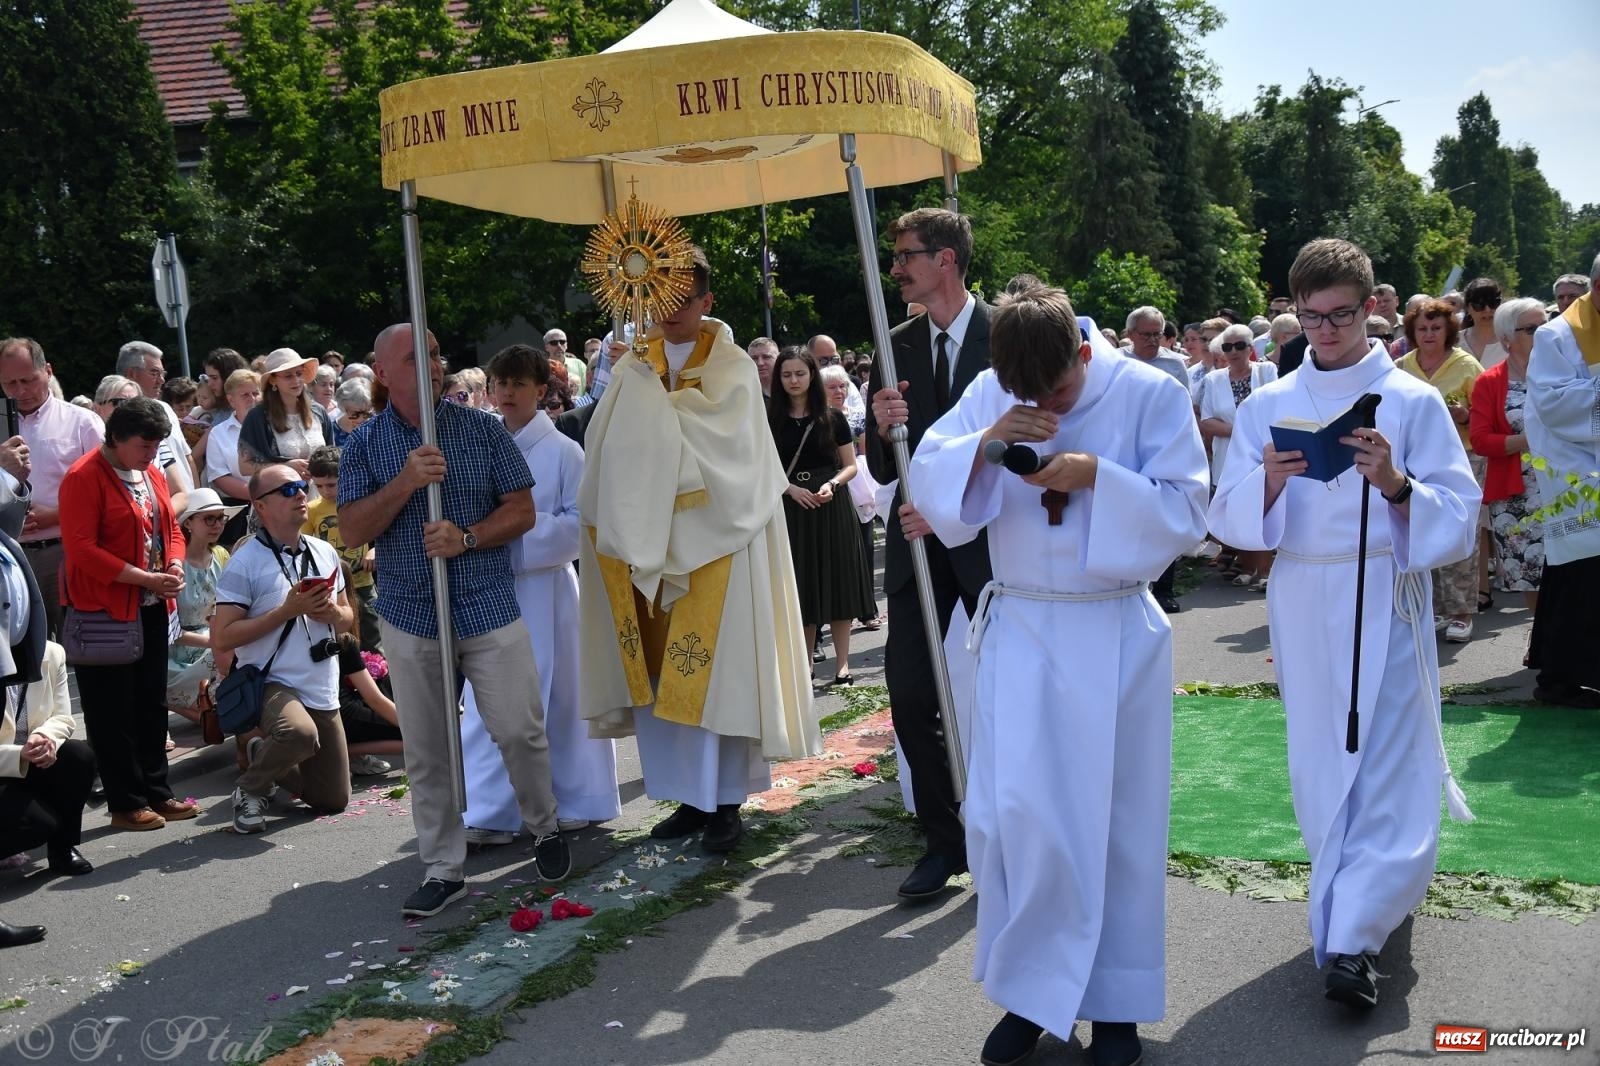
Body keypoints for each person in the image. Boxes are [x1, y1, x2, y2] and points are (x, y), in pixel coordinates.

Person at [909, 284, 1208, 1066]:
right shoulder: (990, 389)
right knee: (1016, 820)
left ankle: (1115, 1008)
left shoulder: (1149, 393)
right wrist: (984, 440)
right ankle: (1030, 998)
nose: (1044, 403)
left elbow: (1188, 513)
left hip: (1111, 629)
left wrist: (1097, 477)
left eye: (1059, 391)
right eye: (1025, 394)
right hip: (1020, 629)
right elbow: (930, 477)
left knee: (1114, 824)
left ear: (1083, 351)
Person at [1208, 238, 1479, 1011]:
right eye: (1311, 316)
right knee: (1323, 753)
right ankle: (1346, 889)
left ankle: (1355, 937)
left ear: (1371, 310)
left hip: (1387, 592)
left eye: (1340, 315)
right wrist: (1263, 482)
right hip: (1303, 594)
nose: (1325, 331)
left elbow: (1459, 518)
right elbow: (1227, 518)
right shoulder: (1266, 403)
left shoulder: (1414, 402)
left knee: (1390, 758)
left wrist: (1397, 484)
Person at [578, 246, 817, 855]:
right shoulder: (636, 362)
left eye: (685, 300)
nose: (672, 312)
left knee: (720, 677)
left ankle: (727, 804)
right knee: (664, 679)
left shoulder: (731, 364)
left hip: (718, 542)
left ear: (707, 302)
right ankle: (686, 797)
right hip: (648, 540)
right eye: (661, 299)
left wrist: (651, 408)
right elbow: (607, 442)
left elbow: (729, 447)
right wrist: (641, 396)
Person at [339, 323, 569, 918]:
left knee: (519, 728)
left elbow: (520, 511)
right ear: (383, 372)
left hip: (487, 601)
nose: (434, 364)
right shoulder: (365, 445)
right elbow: (355, 528)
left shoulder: (481, 429)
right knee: (428, 748)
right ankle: (443, 867)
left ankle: (544, 826)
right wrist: (407, 482)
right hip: (413, 612)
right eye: (417, 357)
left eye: (438, 353)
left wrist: (467, 537)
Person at [865, 207, 994, 903]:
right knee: (912, 690)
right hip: (917, 541)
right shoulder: (895, 344)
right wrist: (882, 428)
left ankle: (1017, 826)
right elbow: (879, 469)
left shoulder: (1009, 335)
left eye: (906, 255)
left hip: (991, 542)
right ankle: (947, 840)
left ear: (945, 259)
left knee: (1012, 685)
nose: (896, 269)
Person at [460, 345, 619, 846]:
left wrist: (512, 532)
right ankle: (491, 808)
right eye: (500, 384)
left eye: (519, 385)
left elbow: (580, 526)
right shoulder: (478, 443)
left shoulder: (565, 452)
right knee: (491, 696)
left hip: (546, 588)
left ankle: (575, 797)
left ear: (541, 391)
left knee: (563, 698)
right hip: (489, 588)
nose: (507, 394)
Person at [59, 398, 198, 831]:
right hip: (104, 610)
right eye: (145, 444)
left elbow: (171, 529)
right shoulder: (83, 476)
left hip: (151, 605)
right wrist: (144, 578)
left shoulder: (150, 472)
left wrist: (173, 564)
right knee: (110, 713)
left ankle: (158, 792)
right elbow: (82, 550)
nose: (153, 452)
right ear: (116, 437)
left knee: (150, 705)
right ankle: (124, 802)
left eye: (157, 444)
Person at [212, 464, 353, 834]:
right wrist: (286, 611)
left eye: (301, 487)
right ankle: (249, 789)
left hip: (320, 682)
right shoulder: (244, 563)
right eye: (288, 491)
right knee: (300, 734)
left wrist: (333, 612)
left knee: (332, 800)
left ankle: (264, 754)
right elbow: (222, 637)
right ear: (260, 506)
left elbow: (347, 619)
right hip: (270, 680)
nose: (301, 495)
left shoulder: (323, 552)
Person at [772, 348, 875, 688]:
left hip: (831, 503)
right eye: (786, 374)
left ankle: (843, 665)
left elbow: (850, 464)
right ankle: (806, 666)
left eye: (799, 373)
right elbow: (763, 467)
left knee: (839, 581)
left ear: (811, 375)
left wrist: (831, 484)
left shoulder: (832, 417)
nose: (793, 380)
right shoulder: (771, 419)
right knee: (802, 584)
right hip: (792, 505)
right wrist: (789, 490)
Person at [1524, 254, 1600, 708]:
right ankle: (1561, 677)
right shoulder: (1559, 334)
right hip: (1578, 469)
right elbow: (1553, 403)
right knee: (1581, 575)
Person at [1, 337, 105, 638]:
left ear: (47, 371)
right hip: (9, 556)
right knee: (22, 657)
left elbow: (106, 490)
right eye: (9, 383)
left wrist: (58, 515)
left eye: (28, 380)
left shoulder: (82, 422)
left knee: (76, 651)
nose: (20, 391)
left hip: (66, 551)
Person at [1395, 299, 1485, 642]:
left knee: (1460, 533)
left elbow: (1487, 415)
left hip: (1463, 457)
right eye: (1422, 328)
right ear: (1412, 333)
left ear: (1449, 331)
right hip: (1414, 460)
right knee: (1421, 532)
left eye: (1436, 328)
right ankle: (1431, 608)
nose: (1429, 334)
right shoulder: (1402, 365)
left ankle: (1462, 612)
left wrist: (1465, 414)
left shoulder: (1466, 365)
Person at [1470, 297, 1546, 664]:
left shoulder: (1565, 372)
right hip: (1518, 496)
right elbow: (1481, 439)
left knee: (1573, 567)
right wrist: (1526, 441)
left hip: (1567, 488)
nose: (1542, 333)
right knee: (1531, 571)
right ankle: (1542, 639)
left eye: (1546, 325)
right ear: (1506, 338)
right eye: (1531, 329)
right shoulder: (1490, 382)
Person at [1198, 323, 1279, 590]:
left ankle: (1265, 571)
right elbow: (1207, 421)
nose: (1234, 351)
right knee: (1238, 511)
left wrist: (1249, 434)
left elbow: (1277, 409)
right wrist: (1242, 431)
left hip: (1262, 454)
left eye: (1240, 345)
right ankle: (1247, 568)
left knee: (1261, 509)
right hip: (1229, 456)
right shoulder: (1213, 379)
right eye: (1228, 347)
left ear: (1250, 348)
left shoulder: (1266, 371)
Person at [166, 489, 241, 721]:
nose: (217, 524)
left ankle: (208, 711)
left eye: (221, 518)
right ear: (188, 522)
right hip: (178, 653)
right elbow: (169, 629)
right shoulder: (173, 564)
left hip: (217, 640)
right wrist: (215, 641)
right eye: (209, 518)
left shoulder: (221, 556)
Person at [303, 446, 379, 654]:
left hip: (363, 582)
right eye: (319, 486)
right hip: (333, 586)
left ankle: (380, 680)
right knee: (343, 642)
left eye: (331, 485)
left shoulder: (360, 501)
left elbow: (380, 530)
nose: (326, 491)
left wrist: (375, 550)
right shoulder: (313, 509)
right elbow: (306, 545)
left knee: (374, 638)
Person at [239, 349, 336, 478]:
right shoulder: (258, 417)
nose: (296, 380)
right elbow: (244, 467)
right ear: (273, 381)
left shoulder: (319, 411)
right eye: (288, 376)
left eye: (299, 374)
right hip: (281, 493)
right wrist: (285, 467)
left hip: (320, 493)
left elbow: (332, 455)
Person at [116, 341, 196, 497]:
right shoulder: (119, 420)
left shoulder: (165, 408)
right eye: (154, 373)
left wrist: (198, 498)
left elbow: (186, 457)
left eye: (162, 374)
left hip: (188, 507)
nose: (162, 380)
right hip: (158, 508)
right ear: (132, 373)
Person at [204, 369, 261, 547]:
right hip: (238, 512)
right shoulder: (218, 433)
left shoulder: (276, 426)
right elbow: (219, 477)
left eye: (255, 393)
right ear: (231, 400)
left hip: (278, 504)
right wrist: (260, 494)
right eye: (245, 394)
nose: (251, 399)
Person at [1459, 277, 1505, 368]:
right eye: (1479, 305)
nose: (1487, 310)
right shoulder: (1453, 342)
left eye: (1493, 303)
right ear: (1468, 308)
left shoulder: (1511, 343)